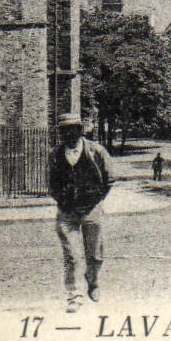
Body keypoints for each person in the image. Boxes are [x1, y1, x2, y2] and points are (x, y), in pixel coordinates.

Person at [48, 113, 113, 312]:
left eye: (73, 129)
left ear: (80, 130)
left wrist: (96, 199)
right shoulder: (55, 154)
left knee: (94, 253)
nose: (69, 134)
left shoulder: (96, 151)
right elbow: (52, 183)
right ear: (60, 133)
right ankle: (74, 295)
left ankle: (93, 282)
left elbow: (109, 178)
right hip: (67, 212)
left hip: (91, 209)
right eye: (64, 130)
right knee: (72, 255)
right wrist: (63, 200)